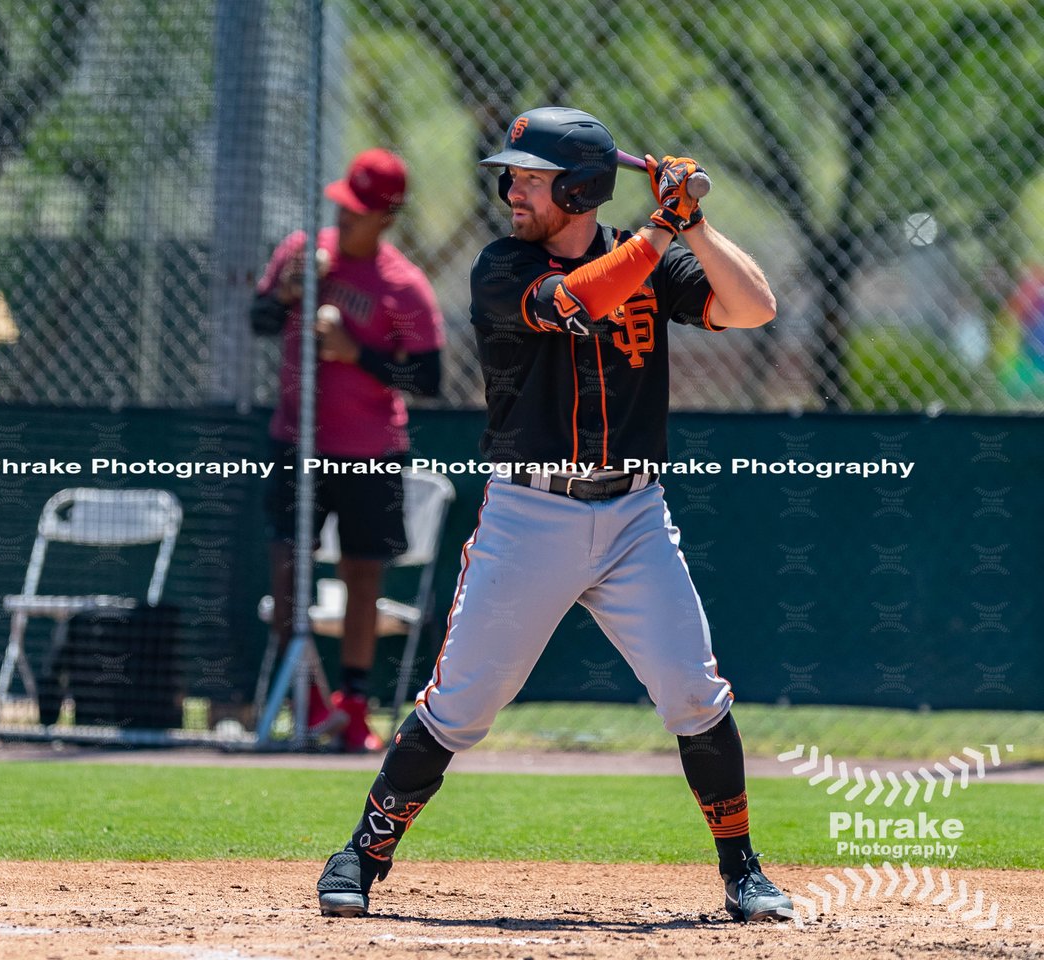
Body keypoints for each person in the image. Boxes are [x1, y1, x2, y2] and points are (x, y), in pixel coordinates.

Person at [315, 107, 794, 921]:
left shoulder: (648, 258)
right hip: (530, 517)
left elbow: (754, 308)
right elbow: (576, 301)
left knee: (694, 691)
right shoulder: (502, 266)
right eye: (514, 177)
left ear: (580, 187)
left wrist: (696, 225)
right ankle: (360, 855)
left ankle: (742, 869)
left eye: (533, 179)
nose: (512, 191)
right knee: (460, 703)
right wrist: (659, 229)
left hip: (636, 514)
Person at [250, 148, 445, 753]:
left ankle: (354, 708)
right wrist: (285, 293)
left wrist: (355, 354)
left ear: (386, 217)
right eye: (342, 207)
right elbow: (257, 320)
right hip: (296, 441)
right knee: (289, 564)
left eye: (359, 213)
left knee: (363, 573)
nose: (344, 221)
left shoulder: (402, 286)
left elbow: (430, 380)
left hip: (369, 451)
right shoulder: (304, 255)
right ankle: (307, 698)